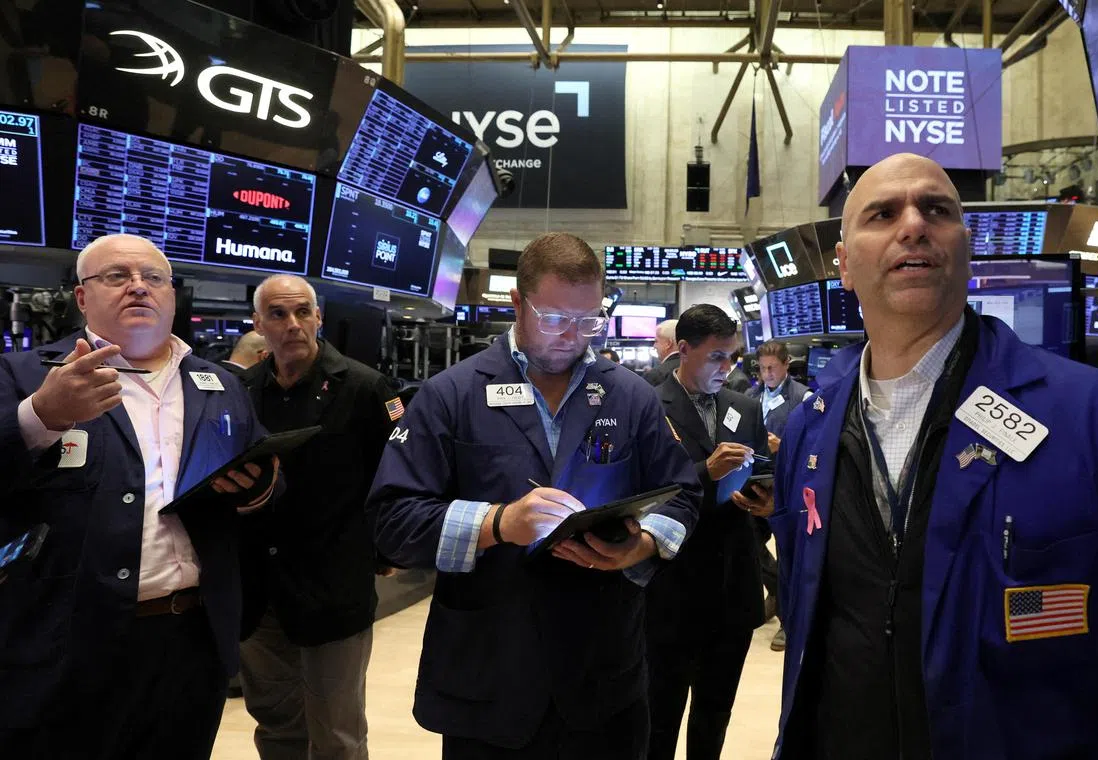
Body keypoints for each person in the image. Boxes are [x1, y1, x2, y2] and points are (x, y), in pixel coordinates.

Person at [769, 153, 1098, 759]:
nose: (912, 225)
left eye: (936, 210)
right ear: (844, 268)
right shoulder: (809, 432)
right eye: (883, 214)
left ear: (967, 251)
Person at [368, 232, 702, 759]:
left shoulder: (629, 396)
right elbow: (392, 521)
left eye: (590, 321)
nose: (573, 336)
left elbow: (682, 493)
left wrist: (639, 547)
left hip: (603, 674)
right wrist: (499, 523)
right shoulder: (450, 395)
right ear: (517, 304)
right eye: (554, 319)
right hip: (490, 673)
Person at [0, 234, 277, 759]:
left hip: (192, 638)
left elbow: (262, 471)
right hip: (68, 642)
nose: (137, 288)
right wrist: (43, 416)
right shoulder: (25, 374)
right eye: (115, 277)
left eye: (153, 278)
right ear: (82, 298)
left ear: (172, 294)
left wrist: (260, 487)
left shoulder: (217, 382)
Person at [238, 275, 400, 760]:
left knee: (337, 735)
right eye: (278, 315)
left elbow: (394, 478)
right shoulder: (240, 390)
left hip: (334, 586)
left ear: (319, 317)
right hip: (259, 590)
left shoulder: (366, 387)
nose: (293, 325)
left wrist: (386, 550)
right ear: (258, 324)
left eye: (302, 313)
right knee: (276, 728)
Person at [646, 304, 772, 760]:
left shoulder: (744, 407)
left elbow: (758, 477)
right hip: (670, 587)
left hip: (732, 588)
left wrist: (762, 504)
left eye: (733, 357)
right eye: (717, 356)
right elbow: (642, 491)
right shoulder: (648, 404)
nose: (727, 367)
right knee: (659, 717)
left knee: (714, 716)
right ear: (683, 350)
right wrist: (704, 471)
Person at [748, 339, 813, 651]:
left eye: (773, 367)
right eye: (762, 368)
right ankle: (775, 593)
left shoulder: (805, 399)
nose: (767, 374)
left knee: (788, 553)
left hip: (787, 487)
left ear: (787, 365)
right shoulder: (750, 397)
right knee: (751, 546)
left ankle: (789, 622)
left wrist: (782, 445)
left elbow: (816, 448)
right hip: (752, 484)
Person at [643, 319, 680, 386]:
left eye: (656, 341)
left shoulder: (655, 375)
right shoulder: (694, 368)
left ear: (668, 343)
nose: (654, 346)